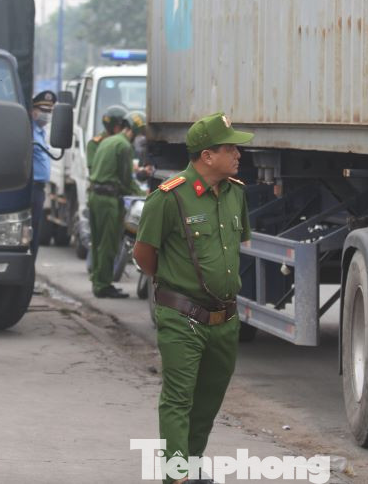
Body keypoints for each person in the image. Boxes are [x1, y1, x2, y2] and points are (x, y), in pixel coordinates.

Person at [133, 112, 254, 484]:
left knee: (208, 401)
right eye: (230, 148)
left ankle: (191, 465)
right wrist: (175, 282)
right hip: (181, 316)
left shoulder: (236, 193)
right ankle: (177, 476)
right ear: (206, 156)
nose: (238, 154)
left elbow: (239, 245)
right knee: (179, 399)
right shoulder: (168, 198)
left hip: (224, 319)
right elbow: (143, 254)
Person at [87, 111, 147, 298]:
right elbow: (125, 180)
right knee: (109, 243)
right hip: (108, 201)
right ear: (135, 131)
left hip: (95, 197)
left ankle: (97, 281)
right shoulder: (124, 146)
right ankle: (103, 286)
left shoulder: (107, 141)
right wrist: (143, 194)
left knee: (97, 241)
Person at [29, 90, 56, 257]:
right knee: (31, 233)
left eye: (49, 111)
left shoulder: (40, 132)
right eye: (43, 110)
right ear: (33, 110)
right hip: (30, 187)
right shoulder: (29, 131)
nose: (46, 115)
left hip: (39, 189)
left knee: (36, 232)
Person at [87, 105, 128, 171]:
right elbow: (94, 170)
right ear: (114, 127)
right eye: (121, 127)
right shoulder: (95, 144)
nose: (124, 130)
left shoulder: (124, 142)